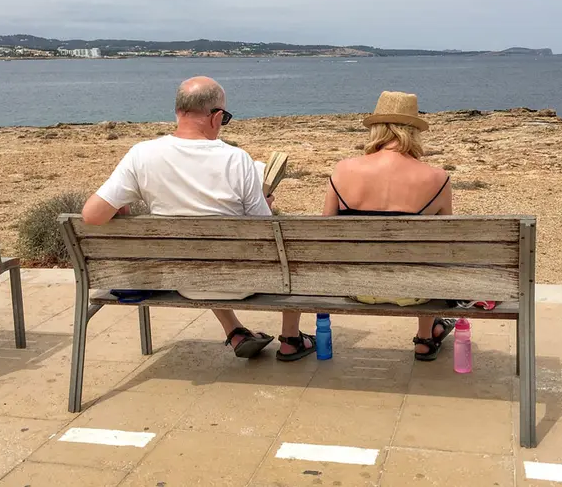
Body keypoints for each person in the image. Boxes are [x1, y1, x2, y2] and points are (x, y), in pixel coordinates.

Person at [82, 76, 315, 361]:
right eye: (225, 117)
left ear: (179, 111)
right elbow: (265, 230)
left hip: (182, 281)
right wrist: (264, 202)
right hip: (244, 282)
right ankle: (291, 338)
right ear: (216, 117)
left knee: (200, 244)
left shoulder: (141, 155)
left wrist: (124, 208)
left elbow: (92, 215)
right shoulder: (236, 160)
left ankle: (235, 330)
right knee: (289, 246)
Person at [322, 91, 455, 361]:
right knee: (428, 257)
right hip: (414, 293)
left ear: (376, 129)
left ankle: (428, 335)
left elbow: (325, 235)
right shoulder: (437, 178)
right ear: (414, 131)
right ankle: (425, 338)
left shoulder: (342, 170)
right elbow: (445, 246)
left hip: (357, 287)